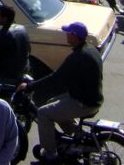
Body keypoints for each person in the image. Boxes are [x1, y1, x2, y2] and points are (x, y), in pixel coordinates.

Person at [19, 22, 103, 164]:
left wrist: (29, 87)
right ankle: (76, 137)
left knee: (43, 113)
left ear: (74, 36)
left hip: (83, 102)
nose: (66, 35)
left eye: (68, 33)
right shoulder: (90, 49)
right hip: (88, 96)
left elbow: (56, 78)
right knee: (51, 103)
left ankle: (50, 156)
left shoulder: (78, 56)